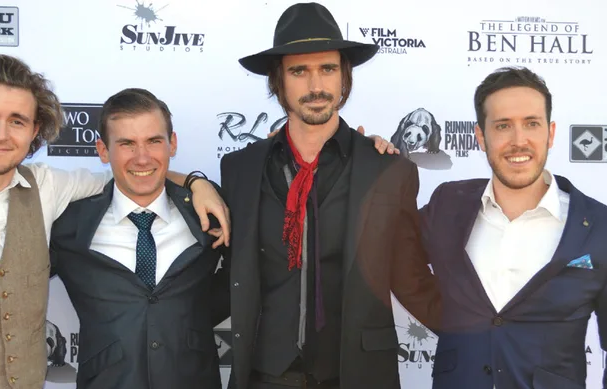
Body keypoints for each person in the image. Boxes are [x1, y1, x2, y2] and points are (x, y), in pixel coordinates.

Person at [0, 54, 228, 389]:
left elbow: (135, 177)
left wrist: (198, 183)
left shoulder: (49, 189)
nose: (1, 134)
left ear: (35, 128)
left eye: (17, 121)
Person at [219, 3, 441, 389]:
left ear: (344, 77)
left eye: (327, 69)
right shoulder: (240, 169)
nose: (315, 86)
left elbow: (410, 278)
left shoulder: (388, 169)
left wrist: (483, 324)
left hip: (357, 374)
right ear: (278, 81)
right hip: (265, 374)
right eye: (299, 71)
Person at [421, 67, 607, 389]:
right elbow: (387, 245)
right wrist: (372, 160)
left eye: (531, 124)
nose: (518, 141)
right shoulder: (448, 204)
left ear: (550, 133)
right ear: (481, 137)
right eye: (503, 126)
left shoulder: (598, 225)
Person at [48, 88, 230, 389]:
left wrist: (187, 320)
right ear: (103, 150)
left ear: (172, 144)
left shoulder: (209, 214)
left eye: (154, 141)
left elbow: (242, 277)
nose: (142, 157)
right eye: (127, 144)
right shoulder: (68, 224)